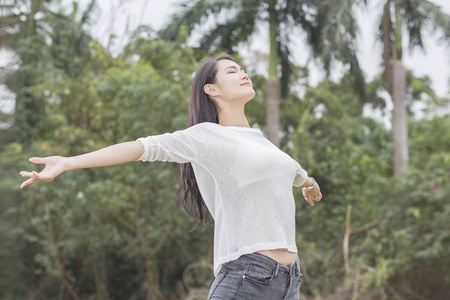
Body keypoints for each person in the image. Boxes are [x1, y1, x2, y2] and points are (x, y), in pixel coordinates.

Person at [20, 55, 322, 299]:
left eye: (243, 69)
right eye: (232, 71)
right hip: (248, 277)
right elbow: (143, 147)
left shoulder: (260, 141)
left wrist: (308, 184)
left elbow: (294, 171)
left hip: (289, 281)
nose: (243, 73)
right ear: (211, 89)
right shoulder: (208, 137)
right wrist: (68, 163)